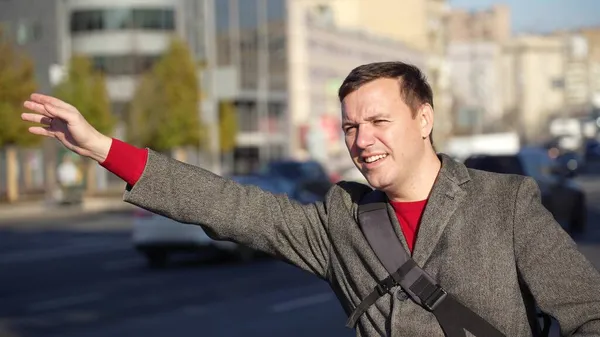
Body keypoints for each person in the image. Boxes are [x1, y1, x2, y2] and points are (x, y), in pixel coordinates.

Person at [20, 61, 600, 336]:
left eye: (378, 120)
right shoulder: (341, 221)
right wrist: (102, 148)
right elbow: (227, 206)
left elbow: (587, 315)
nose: (362, 140)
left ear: (424, 118)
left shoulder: (506, 202)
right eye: (350, 127)